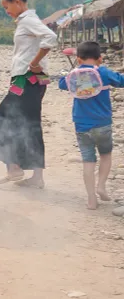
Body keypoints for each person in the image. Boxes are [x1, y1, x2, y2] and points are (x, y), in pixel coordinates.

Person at [0, 0, 57, 189]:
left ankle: (14, 168)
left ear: (17, 2)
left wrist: (35, 63)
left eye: (6, 7)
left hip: (28, 81)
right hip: (29, 81)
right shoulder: (25, 21)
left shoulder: (28, 20)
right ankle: (35, 176)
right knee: (29, 126)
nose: (6, 11)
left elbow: (50, 37)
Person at [59, 41, 124, 209]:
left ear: (78, 59)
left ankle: (91, 199)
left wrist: (73, 70)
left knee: (88, 161)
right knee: (106, 155)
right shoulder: (103, 72)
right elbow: (121, 81)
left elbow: (61, 84)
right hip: (103, 123)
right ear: (100, 58)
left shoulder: (73, 74)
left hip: (81, 124)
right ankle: (101, 186)